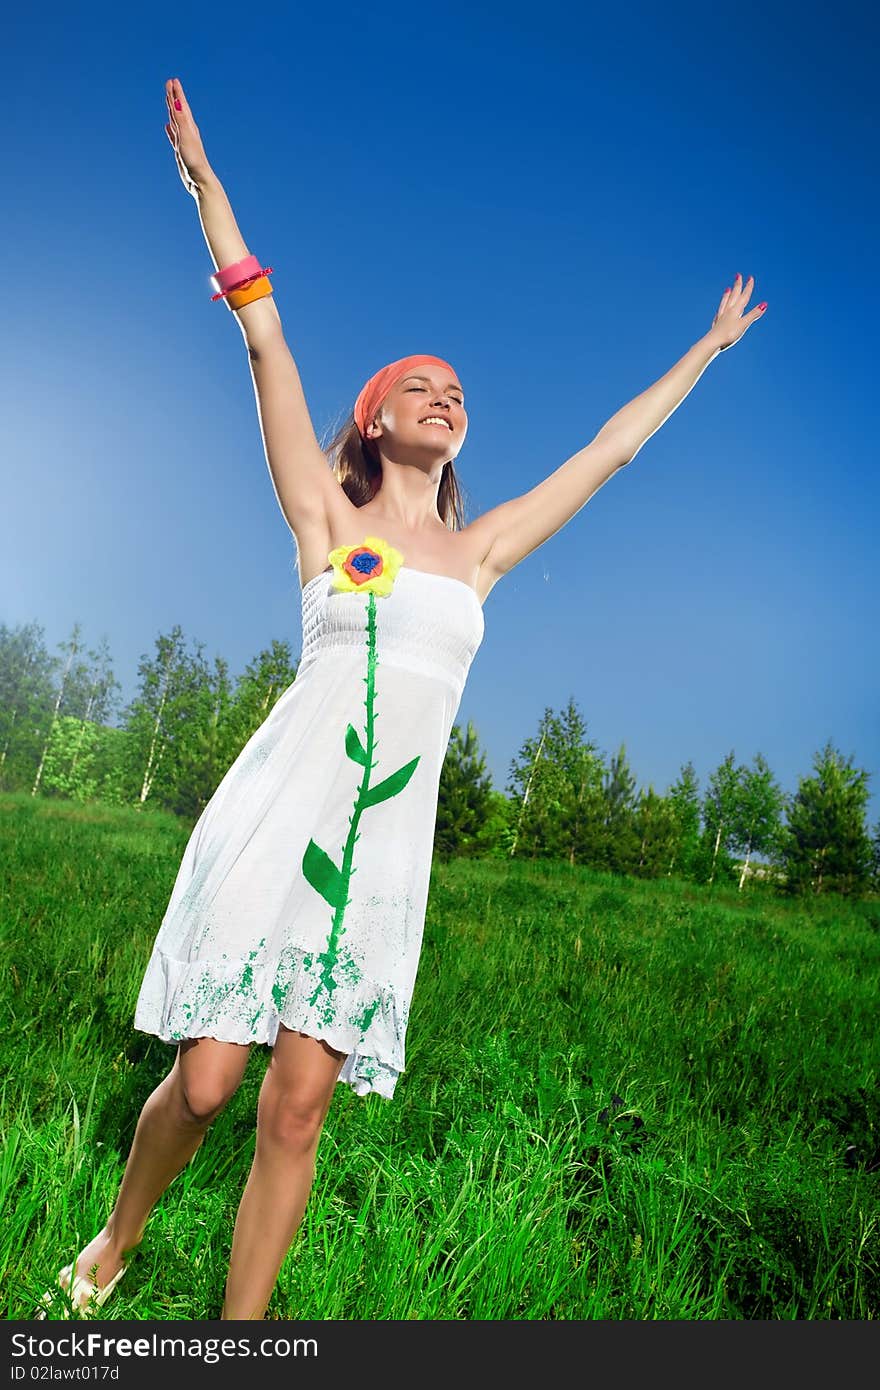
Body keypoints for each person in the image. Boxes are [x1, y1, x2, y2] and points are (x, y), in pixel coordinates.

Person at [37, 76, 766, 1323]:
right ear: (372, 418)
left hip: (377, 852)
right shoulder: (323, 518)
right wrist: (206, 190)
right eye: (418, 384)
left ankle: (239, 1339)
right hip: (277, 818)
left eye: (459, 391)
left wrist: (702, 349)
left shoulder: (478, 555)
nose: (446, 395)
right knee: (208, 1082)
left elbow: (607, 452)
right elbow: (263, 337)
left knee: (299, 1104)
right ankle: (112, 1243)